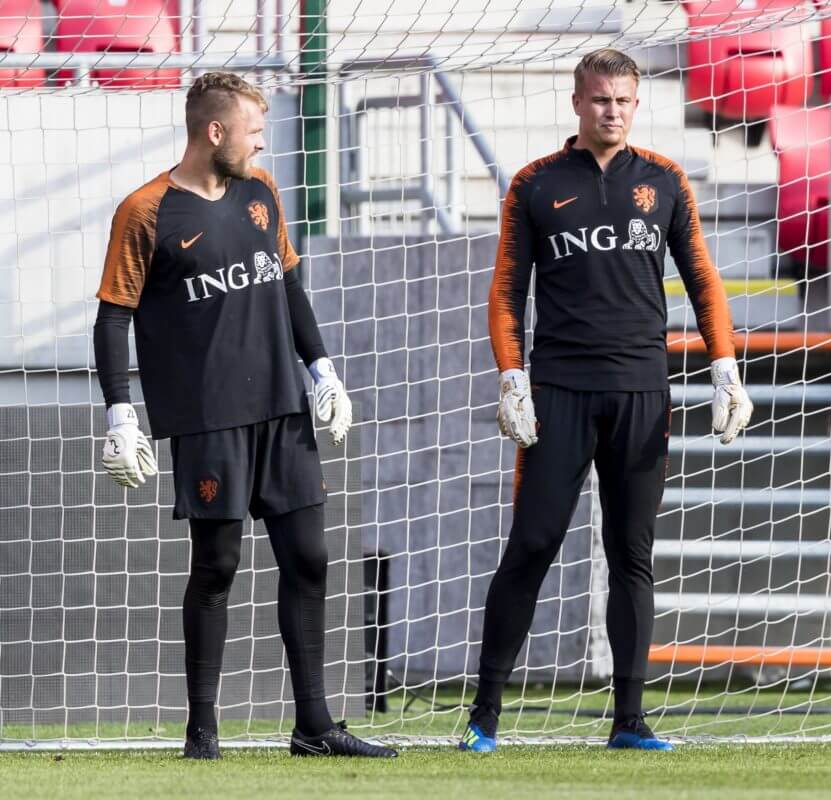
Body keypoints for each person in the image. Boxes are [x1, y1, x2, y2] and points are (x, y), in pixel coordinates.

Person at [92, 71, 395, 760]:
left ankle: (315, 726)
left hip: (282, 409)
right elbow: (114, 318)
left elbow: (287, 284)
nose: (262, 146)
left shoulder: (262, 194)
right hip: (207, 420)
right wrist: (120, 414)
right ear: (215, 131)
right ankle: (202, 734)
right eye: (254, 133)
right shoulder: (146, 209)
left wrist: (322, 370)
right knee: (218, 564)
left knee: (311, 558)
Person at [458, 48, 753, 753]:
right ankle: (483, 715)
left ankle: (629, 721)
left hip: (642, 394)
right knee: (531, 545)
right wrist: (511, 376)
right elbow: (505, 291)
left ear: (636, 103)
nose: (610, 110)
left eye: (622, 100)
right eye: (598, 100)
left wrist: (725, 368)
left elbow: (704, 280)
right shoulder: (535, 184)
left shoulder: (665, 180)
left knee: (632, 555)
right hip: (558, 391)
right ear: (576, 102)